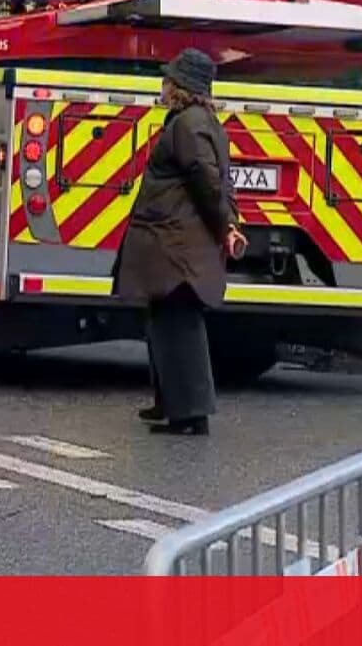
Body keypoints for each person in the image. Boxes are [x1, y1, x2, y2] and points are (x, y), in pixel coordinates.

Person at [112, 49, 247, 436]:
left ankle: (190, 414)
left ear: (182, 87)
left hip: (175, 242)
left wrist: (225, 225)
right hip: (176, 241)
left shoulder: (187, 124)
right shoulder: (200, 121)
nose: (163, 85)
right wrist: (230, 222)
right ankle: (172, 405)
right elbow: (221, 180)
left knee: (177, 323)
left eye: (169, 79)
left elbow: (207, 180)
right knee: (166, 322)